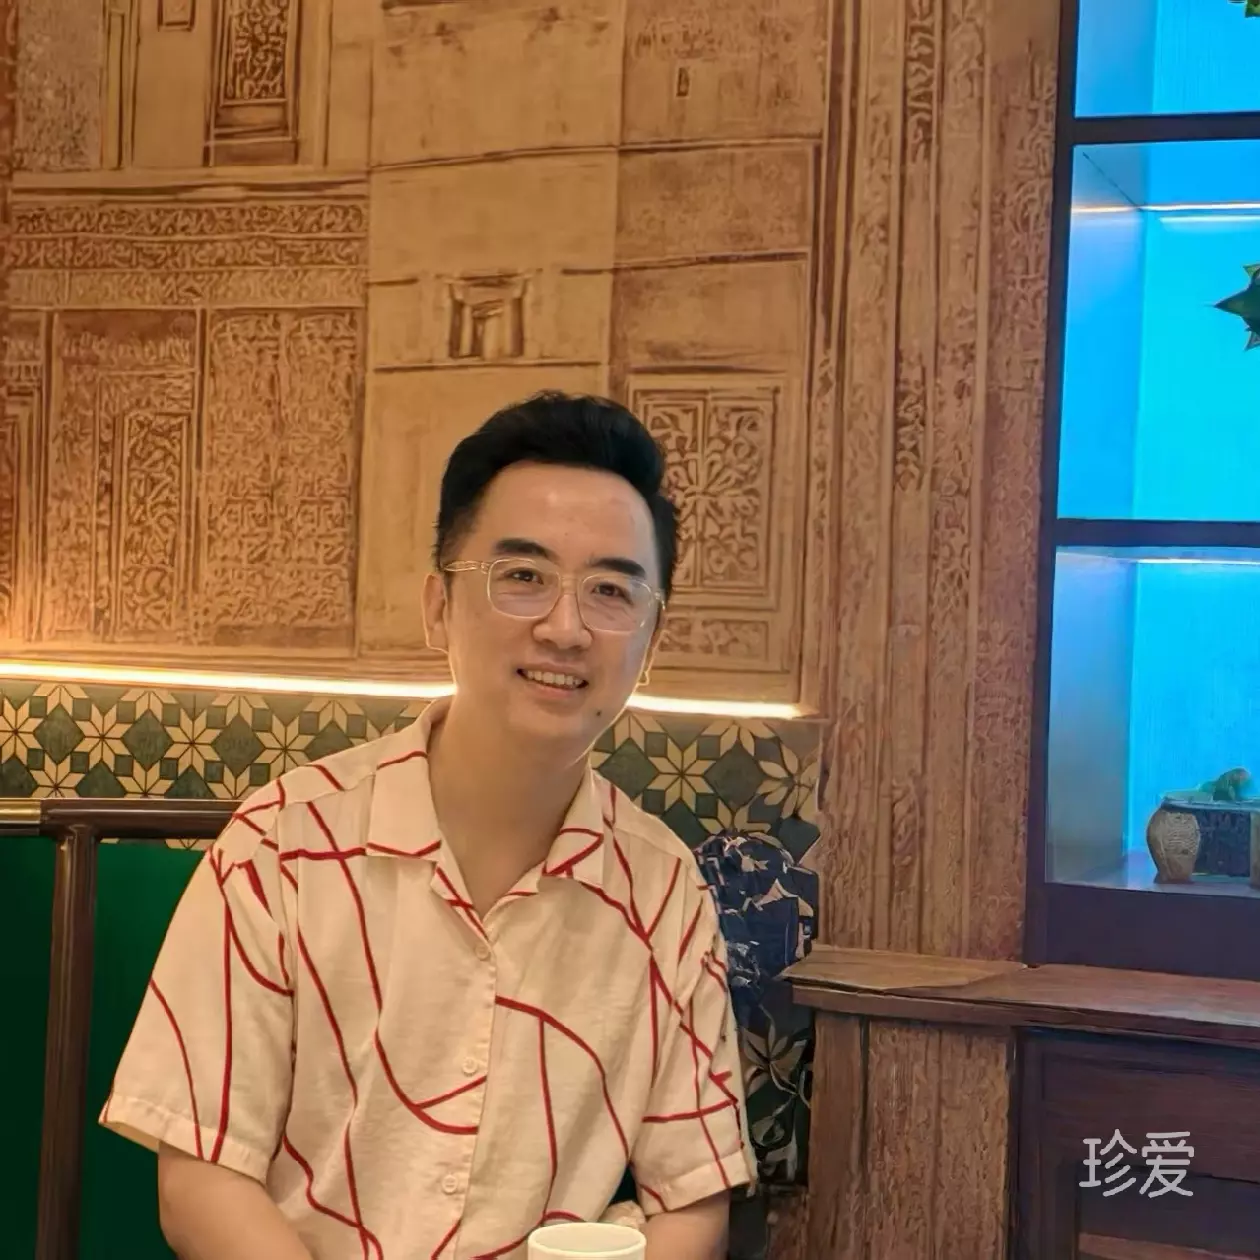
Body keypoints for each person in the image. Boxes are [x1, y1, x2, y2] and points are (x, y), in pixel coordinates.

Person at [101, 392, 755, 1259]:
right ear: (438, 606)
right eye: (523, 578)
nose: (565, 628)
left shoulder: (664, 893)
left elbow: (692, 1201)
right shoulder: (282, 845)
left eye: (610, 591)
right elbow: (201, 1182)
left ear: (651, 638)